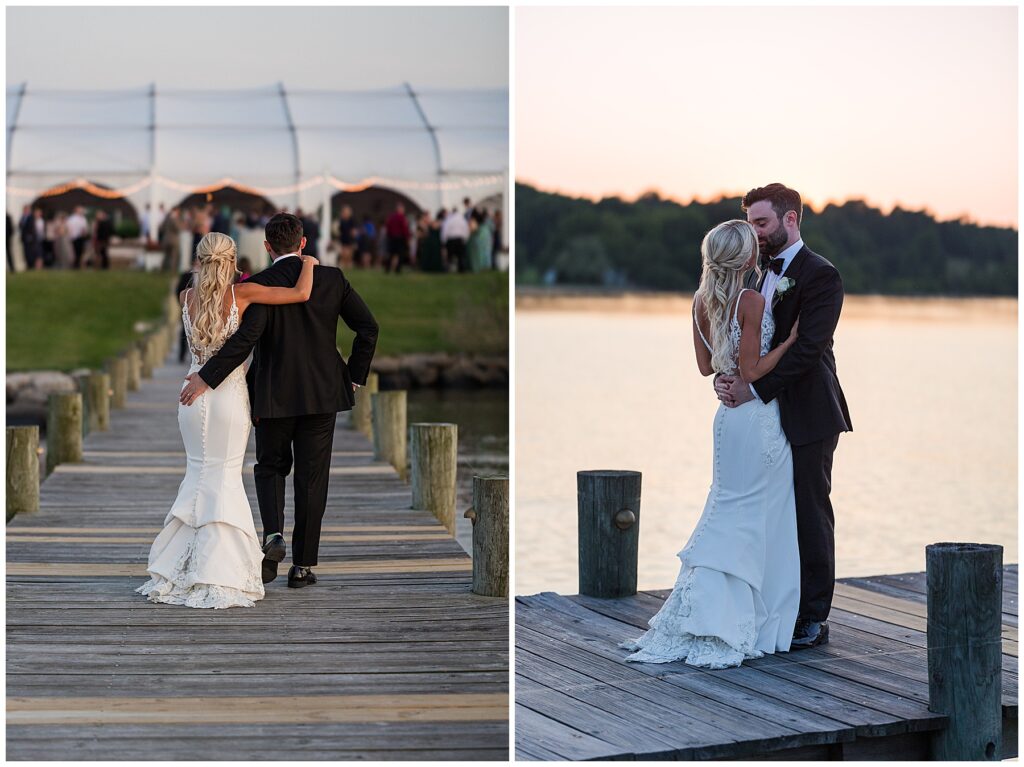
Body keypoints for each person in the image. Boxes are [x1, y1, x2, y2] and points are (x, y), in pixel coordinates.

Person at [621, 220, 801, 668]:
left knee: (727, 507)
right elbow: (754, 371)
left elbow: (706, 368)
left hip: (724, 420)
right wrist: (791, 343)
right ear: (746, 259)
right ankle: (751, 618)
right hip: (756, 419)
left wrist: (728, 375)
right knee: (760, 515)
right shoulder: (752, 299)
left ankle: (715, 610)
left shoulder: (699, 302)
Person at [180, 214, 378, 589]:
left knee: (270, 467)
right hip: (323, 395)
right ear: (303, 243)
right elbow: (368, 328)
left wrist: (207, 377)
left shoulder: (258, 284)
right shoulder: (332, 278)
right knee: (312, 478)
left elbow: (245, 341)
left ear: (268, 247)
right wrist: (353, 376)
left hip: (272, 395)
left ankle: (273, 535)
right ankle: (302, 566)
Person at [136, 232, 319, 609]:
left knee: (197, 475)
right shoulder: (242, 295)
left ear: (199, 260)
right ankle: (222, 571)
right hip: (228, 398)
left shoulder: (185, 297)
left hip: (191, 399)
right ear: (231, 260)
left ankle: (177, 568)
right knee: (225, 478)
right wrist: (310, 264)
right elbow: (301, 294)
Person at [715, 183, 852, 650]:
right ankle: (772, 607)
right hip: (761, 418)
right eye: (751, 224)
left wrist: (752, 388)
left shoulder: (822, 276)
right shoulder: (750, 275)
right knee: (766, 511)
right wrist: (725, 377)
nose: (755, 233)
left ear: (790, 220)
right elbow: (739, 338)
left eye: (762, 223)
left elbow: (808, 350)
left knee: (810, 511)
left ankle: (813, 616)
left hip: (810, 410)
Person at [441, 205, 470, 272]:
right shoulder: (462, 219)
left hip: (451, 240)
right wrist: (465, 239)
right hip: (460, 239)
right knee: (461, 256)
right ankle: (461, 269)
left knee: (450, 256)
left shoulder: (448, 219)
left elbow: (445, 230)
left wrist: (443, 240)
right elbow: (466, 230)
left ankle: (448, 269)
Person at [385, 203, 411, 273]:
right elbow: (404, 229)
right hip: (400, 238)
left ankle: (387, 268)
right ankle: (398, 269)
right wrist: (407, 237)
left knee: (391, 254)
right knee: (400, 254)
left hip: (392, 238)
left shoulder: (391, 217)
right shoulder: (402, 218)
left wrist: (389, 236)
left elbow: (388, 227)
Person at [160, 207, 182, 272]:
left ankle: (162, 269)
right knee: (174, 256)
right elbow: (177, 228)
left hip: (166, 239)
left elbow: (162, 227)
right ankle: (173, 270)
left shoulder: (166, 218)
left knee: (166, 255)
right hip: (174, 239)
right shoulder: (174, 218)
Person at [338, 204, 356, 269]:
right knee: (344, 252)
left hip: (349, 238)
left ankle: (348, 264)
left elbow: (353, 231)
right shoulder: (341, 221)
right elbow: (340, 230)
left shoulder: (351, 220)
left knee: (349, 252)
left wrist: (353, 238)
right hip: (343, 238)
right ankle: (344, 263)